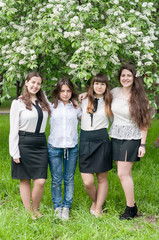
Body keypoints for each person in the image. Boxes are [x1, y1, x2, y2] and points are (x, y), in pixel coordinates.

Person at [109, 64, 151, 220]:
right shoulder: (114, 92)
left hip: (132, 138)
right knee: (123, 173)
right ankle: (131, 205)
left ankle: (131, 208)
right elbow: (98, 95)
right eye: (123, 75)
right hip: (115, 136)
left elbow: (144, 123)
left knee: (122, 173)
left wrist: (142, 144)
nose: (125, 78)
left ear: (134, 78)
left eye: (128, 75)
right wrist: (85, 94)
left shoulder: (140, 97)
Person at [9, 72, 51, 219]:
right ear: (26, 82)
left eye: (38, 83)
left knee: (40, 181)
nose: (35, 86)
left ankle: (35, 209)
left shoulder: (43, 102)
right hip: (24, 143)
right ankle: (29, 212)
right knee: (25, 178)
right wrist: (15, 152)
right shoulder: (18, 103)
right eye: (33, 82)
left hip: (40, 143)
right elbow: (13, 129)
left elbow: (60, 106)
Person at [79, 73, 113, 217]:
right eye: (97, 83)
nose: (99, 86)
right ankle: (95, 199)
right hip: (85, 140)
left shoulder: (111, 102)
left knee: (101, 178)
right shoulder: (84, 99)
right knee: (87, 181)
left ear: (106, 87)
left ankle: (98, 207)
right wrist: (83, 94)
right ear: (92, 85)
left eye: (102, 84)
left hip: (102, 140)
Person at [48, 78, 81, 220]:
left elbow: (86, 117)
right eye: (62, 91)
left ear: (72, 92)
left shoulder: (76, 107)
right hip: (54, 147)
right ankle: (57, 206)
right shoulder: (50, 106)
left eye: (68, 91)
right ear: (58, 91)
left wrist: (82, 98)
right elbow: (35, 100)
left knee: (69, 179)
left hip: (72, 147)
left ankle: (66, 206)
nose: (65, 94)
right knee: (56, 179)